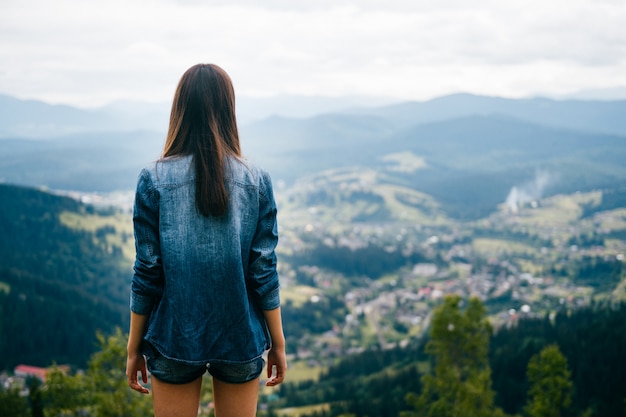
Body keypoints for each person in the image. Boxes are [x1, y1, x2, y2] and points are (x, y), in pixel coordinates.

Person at [126, 63, 286, 417]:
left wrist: (133, 348)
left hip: (173, 336)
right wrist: (278, 342)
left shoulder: (153, 179)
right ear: (229, 110)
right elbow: (263, 271)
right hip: (240, 335)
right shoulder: (256, 180)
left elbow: (147, 272)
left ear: (180, 109)